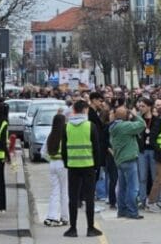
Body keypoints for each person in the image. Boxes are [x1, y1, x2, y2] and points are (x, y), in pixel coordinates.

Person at [61, 100, 102, 238]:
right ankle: (90, 228)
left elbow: (64, 149)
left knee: (73, 198)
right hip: (88, 165)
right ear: (85, 110)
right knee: (89, 198)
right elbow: (96, 148)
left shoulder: (67, 127)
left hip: (73, 166)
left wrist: (67, 163)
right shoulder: (90, 126)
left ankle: (73, 229)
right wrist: (97, 165)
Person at [109, 106, 146, 219]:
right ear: (125, 115)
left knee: (122, 187)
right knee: (133, 187)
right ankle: (132, 211)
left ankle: (122, 210)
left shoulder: (114, 126)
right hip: (129, 159)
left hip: (120, 160)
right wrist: (135, 115)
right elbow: (142, 125)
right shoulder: (125, 126)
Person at [41, 114, 69, 227]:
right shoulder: (65, 136)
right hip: (63, 165)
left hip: (52, 164)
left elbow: (43, 152)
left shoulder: (51, 135)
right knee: (64, 192)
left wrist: (51, 159)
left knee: (54, 192)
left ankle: (52, 216)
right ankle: (64, 216)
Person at [136, 97, 156, 209]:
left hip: (153, 150)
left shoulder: (156, 119)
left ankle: (155, 199)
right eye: (140, 106)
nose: (141, 108)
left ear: (149, 107)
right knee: (142, 177)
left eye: (143, 106)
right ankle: (142, 199)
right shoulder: (139, 119)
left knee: (154, 177)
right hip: (142, 151)